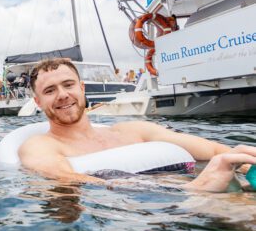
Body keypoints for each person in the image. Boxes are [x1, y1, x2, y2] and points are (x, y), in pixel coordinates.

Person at [19, 58, 256, 193]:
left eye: (68, 85)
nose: (62, 95)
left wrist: (243, 161)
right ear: (38, 102)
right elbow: (63, 178)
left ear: (82, 88)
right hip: (157, 208)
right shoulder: (39, 146)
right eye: (50, 91)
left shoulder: (135, 130)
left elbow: (214, 152)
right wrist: (194, 190)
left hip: (195, 188)